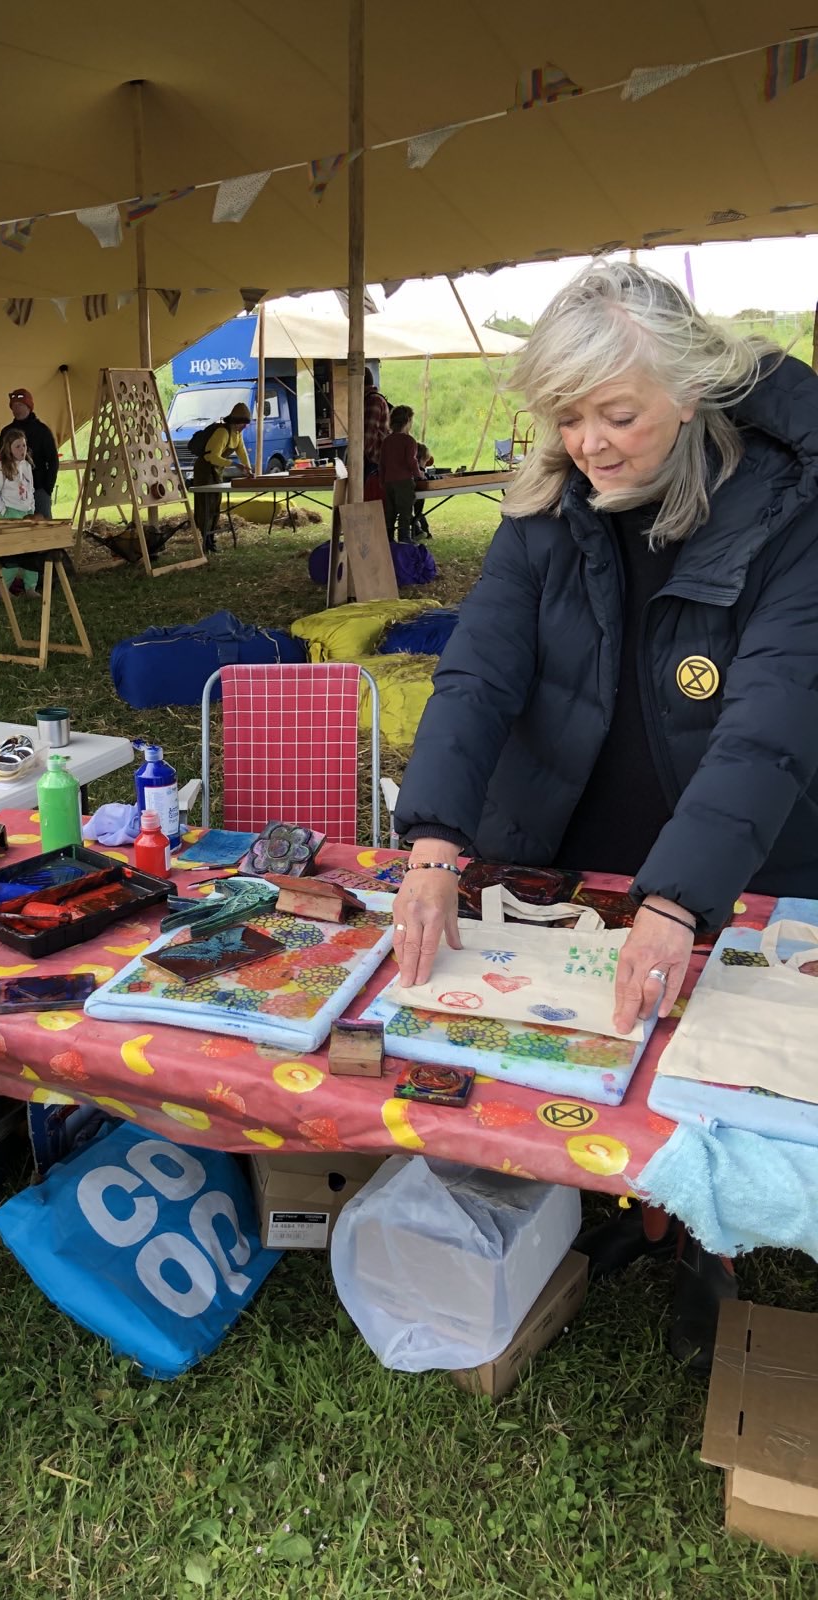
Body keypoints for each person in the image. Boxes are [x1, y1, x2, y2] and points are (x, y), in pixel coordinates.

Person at [390, 260, 818, 1373]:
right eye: (568, 416)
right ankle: (609, 1208)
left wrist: (678, 897)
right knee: (588, 1042)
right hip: (573, 839)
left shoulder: (792, 508)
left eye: (617, 413)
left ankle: (708, 1245)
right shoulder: (548, 503)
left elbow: (772, 716)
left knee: (712, 1060)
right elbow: (477, 675)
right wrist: (435, 839)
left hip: (737, 842)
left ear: (691, 392)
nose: (590, 443)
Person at [191, 402, 251, 553]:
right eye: (243, 423)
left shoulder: (237, 434)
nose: (245, 426)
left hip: (216, 470)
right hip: (204, 470)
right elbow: (212, 457)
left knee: (215, 503)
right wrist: (235, 465)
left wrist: (248, 469)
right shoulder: (222, 433)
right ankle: (205, 539)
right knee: (206, 504)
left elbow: (242, 452)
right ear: (236, 422)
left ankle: (211, 539)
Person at [0, 430, 39, 593]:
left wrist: (32, 507)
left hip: (27, 512)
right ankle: (4, 589)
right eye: (17, 446)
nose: (22, 450)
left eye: (24, 445)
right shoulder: (1, 468)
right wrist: (3, 510)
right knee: (12, 554)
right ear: (8, 448)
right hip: (11, 513)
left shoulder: (27, 465)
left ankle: (30, 587)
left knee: (32, 550)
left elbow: (30, 488)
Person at [0, 387, 58, 518]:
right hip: (14, 491)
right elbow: (2, 461)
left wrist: (47, 489)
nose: (16, 408)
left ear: (29, 406)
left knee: (43, 528)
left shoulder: (42, 431)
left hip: (39, 488)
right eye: (14, 406)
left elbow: (53, 461)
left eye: (20, 405)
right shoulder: (6, 432)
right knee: (16, 530)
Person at [379, 405, 429, 543]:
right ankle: (404, 539)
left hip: (388, 482)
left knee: (390, 512)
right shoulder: (409, 440)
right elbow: (410, 461)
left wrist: (382, 480)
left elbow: (382, 462)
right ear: (408, 421)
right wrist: (419, 474)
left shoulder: (387, 441)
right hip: (404, 481)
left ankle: (388, 540)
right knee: (405, 513)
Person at [363, 378, 391, 494]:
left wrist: (361, 456)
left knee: (369, 498)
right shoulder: (373, 399)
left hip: (373, 460)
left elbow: (369, 432)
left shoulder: (373, 401)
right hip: (374, 459)